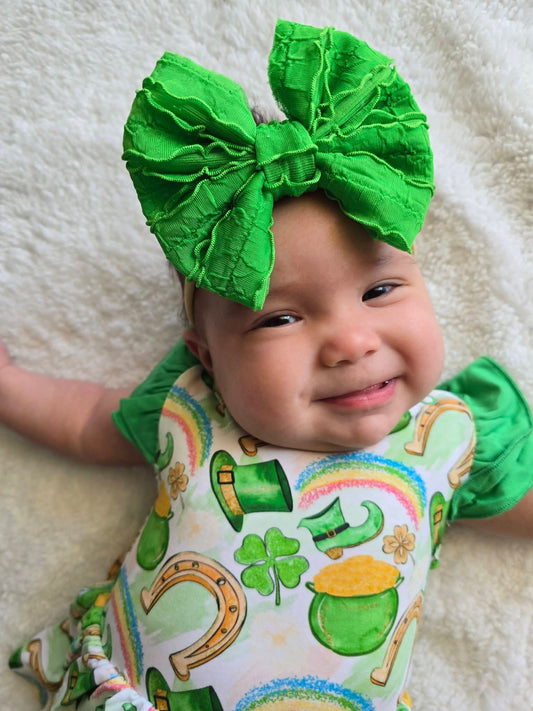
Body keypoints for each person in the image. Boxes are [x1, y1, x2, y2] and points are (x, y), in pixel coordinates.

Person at [3, 19, 532, 711]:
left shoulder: (450, 435)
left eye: (378, 290)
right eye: (279, 318)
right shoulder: (192, 404)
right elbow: (85, 422)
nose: (350, 343)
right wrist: (9, 385)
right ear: (208, 356)